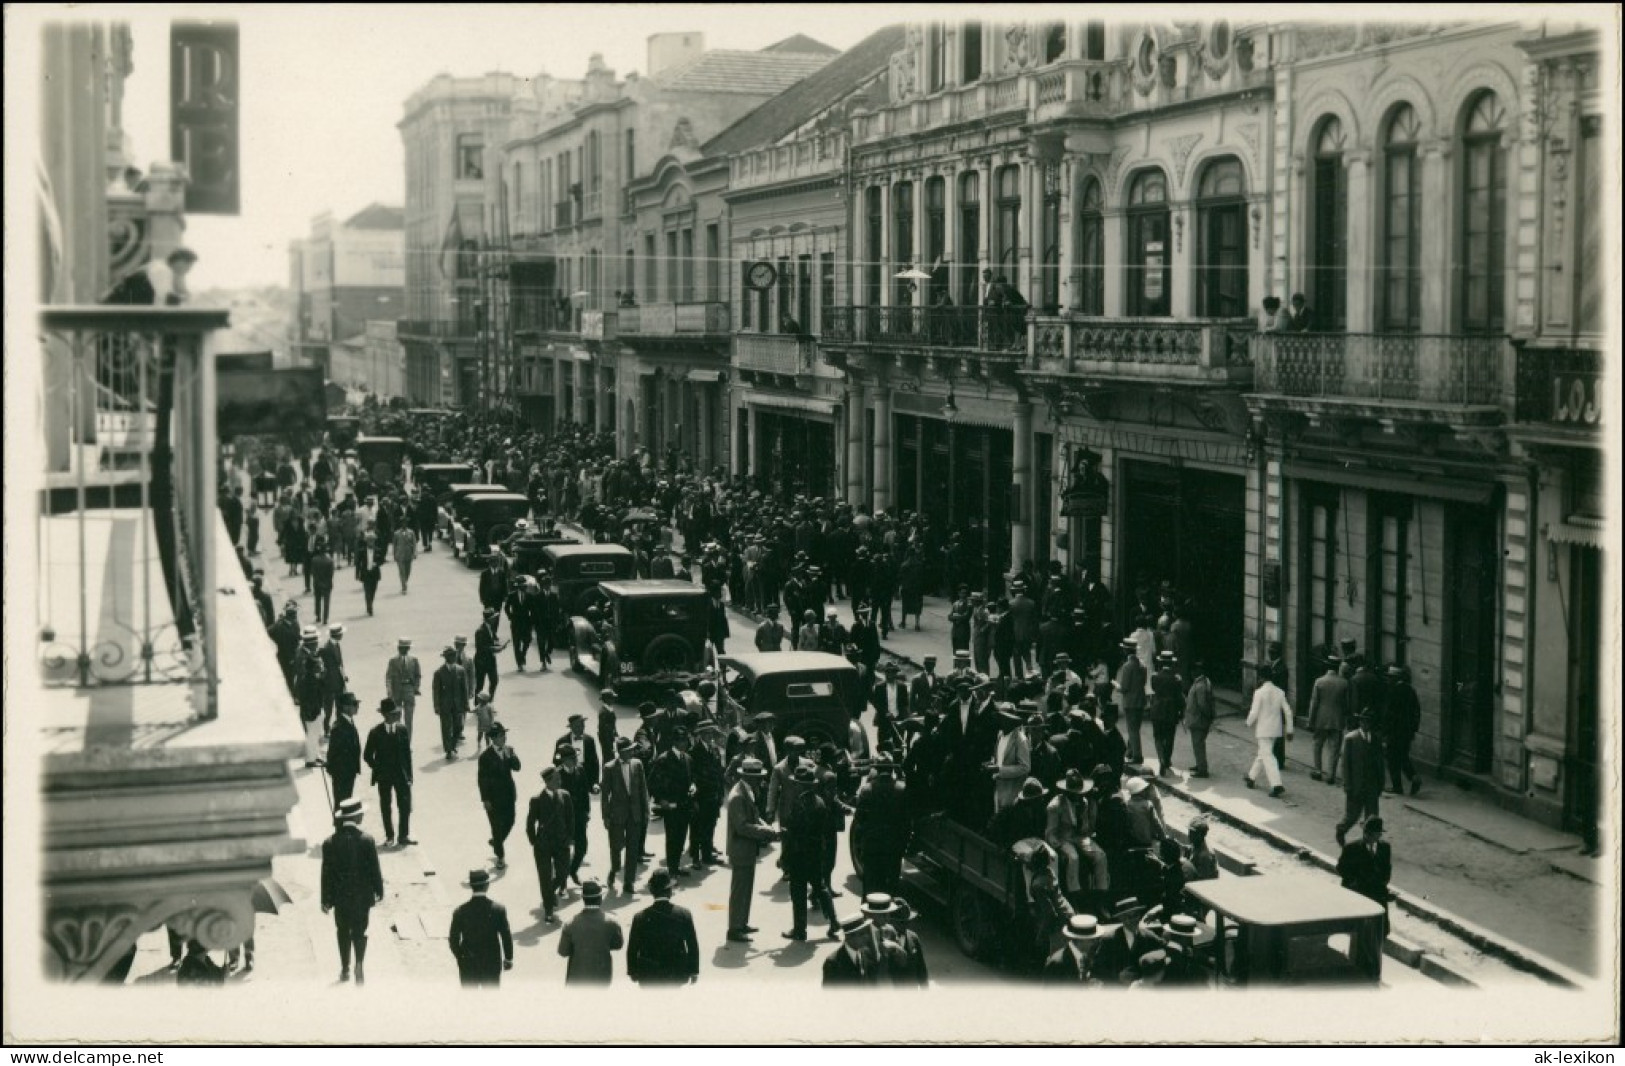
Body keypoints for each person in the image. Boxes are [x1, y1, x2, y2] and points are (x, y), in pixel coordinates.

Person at [320, 797, 384, 984]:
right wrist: (379, 891)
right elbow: (375, 869)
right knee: (360, 930)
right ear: (356, 817)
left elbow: (326, 874)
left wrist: (325, 900)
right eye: (361, 814)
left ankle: (345, 968)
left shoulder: (329, 843)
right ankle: (360, 964)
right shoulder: (367, 840)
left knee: (342, 930)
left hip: (340, 898)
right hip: (362, 896)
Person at [724, 757, 781, 943]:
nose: (760, 780)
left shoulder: (748, 790)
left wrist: (767, 827)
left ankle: (742, 923)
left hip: (747, 848)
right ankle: (734, 928)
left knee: (746, 888)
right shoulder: (738, 796)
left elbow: (755, 816)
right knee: (740, 890)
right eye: (757, 777)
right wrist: (766, 831)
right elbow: (742, 826)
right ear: (747, 776)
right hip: (740, 849)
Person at [781, 763, 839, 942]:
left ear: (800, 785)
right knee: (820, 886)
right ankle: (834, 920)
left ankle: (800, 929)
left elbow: (793, 833)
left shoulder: (799, 804)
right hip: (816, 852)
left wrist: (784, 857)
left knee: (797, 891)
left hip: (800, 854)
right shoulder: (819, 801)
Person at [626, 869, 701, 986]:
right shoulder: (684, 914)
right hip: (676, 973)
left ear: (652, 891)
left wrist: (633, 971)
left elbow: (632, 947)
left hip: (649, 975)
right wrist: (694, 970)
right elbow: (692, 944)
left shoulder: (639, 917)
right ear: (670, 891)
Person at [1337, 817, 1393, 973]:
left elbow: (1387, 870)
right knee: (1359, 933)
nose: (1372, 837)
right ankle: (1357, 967)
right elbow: (1341, 869)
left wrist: (1382, 884)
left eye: (1376, 834)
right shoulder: (1351, 848)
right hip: (1359, 896)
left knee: (1380, 932)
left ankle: (1373, 967)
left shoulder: (1385, 848)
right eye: (1369, 833)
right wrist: (1355, 883)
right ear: (1365, 833)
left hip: (1378, 896)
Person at [602, 736, 652, 894]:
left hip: (635, 814)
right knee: (616, 846)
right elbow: (605, 795)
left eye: (632, 750)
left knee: (633, 848)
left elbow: (643, 790)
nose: (631, 752)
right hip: (617, 814)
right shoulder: (609, 768)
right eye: (628, 750)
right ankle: (614, 869)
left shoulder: (637, 765)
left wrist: (646, 812)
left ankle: (628, 882)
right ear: (620, 752)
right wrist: (606, 817)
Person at [852, 758, 909, 896]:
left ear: (877, 769)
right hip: (894, 845)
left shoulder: (867, 790)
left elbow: (859, 818)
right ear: (892, 770)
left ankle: (870, 914)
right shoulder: (902, 789)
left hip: (873, 844)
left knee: (871, 884)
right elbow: (907, 820)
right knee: (892, 884)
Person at [363, 699, 415, 846]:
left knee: (404, 806)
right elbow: (367, 755)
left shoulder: (402, 730)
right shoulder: (375, 732)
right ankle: (389, 836)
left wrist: (410, 776)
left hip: (401, 775)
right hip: (384, 776)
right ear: (385, 715)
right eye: (393, 714)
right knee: (386, 806)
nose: (396, 716)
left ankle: (403, 836)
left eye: (396, 713)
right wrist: (378, 768)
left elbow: (407, 755)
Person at [526, 766, 575, 923]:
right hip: (543, 845)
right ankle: (548, 909)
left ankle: (550, 893)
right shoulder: (537, 800)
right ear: (547, 782)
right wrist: (535, 842)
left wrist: (570, 837)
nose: (560, 782)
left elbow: (571, 819)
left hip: (562, 842)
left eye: (559, 779)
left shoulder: (565, 796)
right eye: (556, 780)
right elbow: (530, 824)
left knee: (564, 872)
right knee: (545, 877)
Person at [449, 869, 513, 987]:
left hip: (468, 962)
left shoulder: (460, 911)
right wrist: (508, 958)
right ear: (487, 885)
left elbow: (453, 939)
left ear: (471, 887)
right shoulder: (498, 910)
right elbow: (506, 936)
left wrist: (460, 957)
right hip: (491, 963)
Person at [650, 728, 697, 876]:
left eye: (685, 741)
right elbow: (652, 782)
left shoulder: (688, 759)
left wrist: (693, 786)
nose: (684, 744)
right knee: (672, 839)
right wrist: (661, 799)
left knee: (681, 837)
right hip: (671, 807)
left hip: (684, 805)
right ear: (675, 742)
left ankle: (676, 866)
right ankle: (671, 871)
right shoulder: (663, 759)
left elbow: (692, 778)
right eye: (681, 741)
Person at [1336, 711, 1386, 847]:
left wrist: (1381, 783)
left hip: (1372, 785)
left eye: (1369, 722)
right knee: (1352, 816)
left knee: (1372, 816)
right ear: (1360, 722)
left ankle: (1368, 843)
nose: (1366, 725)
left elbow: (1380, 764)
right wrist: (1347, 784)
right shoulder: (1350, 739)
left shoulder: (1375, 740)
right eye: (1364, 721)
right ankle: (1341, 830)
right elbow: (1345, 764)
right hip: (1356, 785)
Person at [558, 880, 624, 985]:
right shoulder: (612, 923)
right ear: (600, 899)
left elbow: (563, 951)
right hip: (602, 976)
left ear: (583, 899)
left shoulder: (570, 924)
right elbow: (618, 945)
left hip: (577, 978)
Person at [477, 722, 521, 869]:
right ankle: (500, 856)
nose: (505, 738)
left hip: (508, 794)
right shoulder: (485, 757)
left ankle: (496, 841)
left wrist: (511, 755)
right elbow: (482, 780)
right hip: (493, 798)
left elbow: (517, 767)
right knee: (496, 827)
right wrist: (485, 799)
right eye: (502, 736)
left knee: (510, 821)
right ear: (494, 738)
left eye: (505, 735)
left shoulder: (509, 750)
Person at [1244, 666, 1292, 797]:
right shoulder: (1280, 692)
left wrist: (1248, 723)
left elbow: (1254, 712)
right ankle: (1251, 777)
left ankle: (1276, 784)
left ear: (1261, 677)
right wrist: (1290, 729)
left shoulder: (1259, 693)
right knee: (1264, 753)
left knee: (1268, 756)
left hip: (1263, 729)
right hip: (1276, 730)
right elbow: (1288, 711)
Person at [688, 721, 728, 868]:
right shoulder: (694, 752)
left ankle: (707, 853)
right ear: (700, 735)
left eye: (711, 733)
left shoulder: (714, 750)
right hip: (702, 795)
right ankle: (695, 857)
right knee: (698, 827)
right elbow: (694, 775)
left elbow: (719, 772)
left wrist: (720, 792)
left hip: (713, 795)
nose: (710, 736)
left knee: (710, 824)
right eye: (707, 733)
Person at [1308, 653, 1351, 784]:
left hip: (1321, 719)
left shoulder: (1319, 681)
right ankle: (1331, 775)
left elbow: (1314, 703)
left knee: (1317, 745)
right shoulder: (1344, 683)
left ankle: (1318, 770)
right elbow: (1347, 704)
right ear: (1338, 667)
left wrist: (1311, 721)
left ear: (1327, 666)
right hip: (1337, 720)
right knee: (1334, 748)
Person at [555, 744, 594, 884]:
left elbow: (585, 792)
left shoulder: (580, 770)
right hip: (564, 820)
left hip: (580, 817)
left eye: (575, 757)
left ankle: (572, 871)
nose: (575, 760)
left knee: (582, 848)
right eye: (572, 758)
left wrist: (587, 811)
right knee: (563, 851)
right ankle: (562, 882)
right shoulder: (556, 774)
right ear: (564, 760)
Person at [1384, 665, 1423, 796]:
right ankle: (1414, 777)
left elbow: (1389, 714)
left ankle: (1397, 786)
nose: (1388, 680)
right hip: (1407, 732)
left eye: (1390, 678)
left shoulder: (1393, 691)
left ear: (1395, 678)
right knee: (1403, 757)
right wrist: (1413, 729)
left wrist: (1385, 731)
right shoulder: (1411, 691)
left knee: (1392, 758)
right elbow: (1416, 711)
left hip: (1395, 732)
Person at [1043, 913, 1110, 986]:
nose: (1095, 942)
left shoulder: (1093, 956)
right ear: (1080, 939)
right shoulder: (1056, 964)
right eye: (1092, 939)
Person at [1148, 651, 1183, 777]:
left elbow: (1154, 689)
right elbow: (1179, 697)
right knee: (1169, 737)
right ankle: (1167, 760)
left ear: (1161, 663)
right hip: (1171, 711)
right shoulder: (1176, 679)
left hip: (1157, 710)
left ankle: (1161, 759)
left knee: (1158, 736)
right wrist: (1181, 711)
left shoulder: (1155, 677)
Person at [433, 646, 470, 760]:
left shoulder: (461, 670)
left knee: (458, 726)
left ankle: (453, 745)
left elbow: (465, 688)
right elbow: (436, 691)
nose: (453, 657)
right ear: (445, 658)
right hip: (445, 705)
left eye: (454, 655)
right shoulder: (439, 672)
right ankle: (448, 750)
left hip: (458, 705)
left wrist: (466, 703)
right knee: (446, 728)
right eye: (450, 656)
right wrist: (437, 706)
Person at [1115, 637, 1148, 764]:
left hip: (1130, 700)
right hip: (1140, 699)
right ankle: (1130, 751)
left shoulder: (1127, 666)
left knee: (1132, 729)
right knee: (1135, 727)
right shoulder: (1142, 665)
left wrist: (1116, 686)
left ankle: (1137, 755)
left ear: (1125, 651)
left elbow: (1124, 687)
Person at [326, 692, 362, 806]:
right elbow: (333, 752)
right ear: (345, 707)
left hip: (348, 772)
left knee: (346, 802)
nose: (357, 707)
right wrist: (336, 771)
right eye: (354, 704)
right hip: (342, 773)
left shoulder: (348, 722)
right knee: (341, 804)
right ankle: (339, 824)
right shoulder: (339, 727)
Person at [383, 638, 422, 740]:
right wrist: (389, 691)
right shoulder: (393, 661)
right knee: (396, 718)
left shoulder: (414, 660)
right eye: (401, 647)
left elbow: (418, 675)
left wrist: (416, 688)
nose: (402, 649)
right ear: (398, 648)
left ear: (408, 648)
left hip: (409, 691)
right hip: (396, 692)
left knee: (409, 719)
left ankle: (407, 743)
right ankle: (398, 741)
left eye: (405, 648)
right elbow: (388, 677)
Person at [1182, 660, 1214, 778]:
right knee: (1197, 744)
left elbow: (1202, 705)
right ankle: (1200, 765)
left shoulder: (1200, 685)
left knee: (1198, 744)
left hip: (1198, 721)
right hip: (1198, 720)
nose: (1191, 673)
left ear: (1197, 671)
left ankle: (1202, 770)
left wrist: (1207, 717)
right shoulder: (1203, 682)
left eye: (1193, 671)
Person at [474, 608, 506, 699]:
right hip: (481, 661)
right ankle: (478, 704)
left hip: (490, 660)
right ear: (489, 619)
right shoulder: (480, 631)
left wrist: (498, 645)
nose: (495, 619)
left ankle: (489, 703)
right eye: (494, 618)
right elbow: (481, 648)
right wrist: (496, 648)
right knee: (480, 684)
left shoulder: (490, 628)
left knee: (494, 681)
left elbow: (492, 641)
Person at [308, 539, 336, 625]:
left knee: (317, 600)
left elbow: (312, 572)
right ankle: (325, 618)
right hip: (327, 583)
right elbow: (331, 574)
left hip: (317, 583)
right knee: (326, 602)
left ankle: (318, 616)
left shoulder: (314, 560)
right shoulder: (330, 560)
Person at [391, 525, 417, 594]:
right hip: (400, 555)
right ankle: (404, 587)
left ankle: (404, 582)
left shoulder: (411, 532)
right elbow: (394, 544)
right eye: (402, 522)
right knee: (402, 571)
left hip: (408, 554)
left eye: (405, 522)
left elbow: (414, 543)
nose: (404, 524)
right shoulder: (396, 533)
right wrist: (394, 554)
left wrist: (414, 553)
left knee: (408, 571)